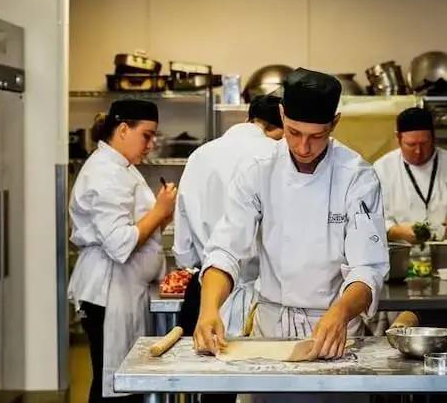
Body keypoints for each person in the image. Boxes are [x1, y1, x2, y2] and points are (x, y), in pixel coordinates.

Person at [194, 68, 389, 402]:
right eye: (293, 132)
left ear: (335, 123)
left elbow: (367, 268)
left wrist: (339, 313)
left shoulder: (357, 177)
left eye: (316, 136)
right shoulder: (258, 169)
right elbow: (226, 250)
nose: (303, 146)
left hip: (333, 334)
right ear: (281, 114)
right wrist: (209, 308)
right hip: (271, 334)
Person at [68, 99, 177, 402]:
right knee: (113, 386)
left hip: (123, 289)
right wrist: (160, 211)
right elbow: (119, 242)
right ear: (123, 129)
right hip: (108, 292)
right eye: (147, 135)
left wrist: (160, 215)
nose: (151, 144)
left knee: (122, 383)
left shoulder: (120, 167)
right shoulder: (105, 171)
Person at [173, 95, 284, 340]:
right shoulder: (278, 155)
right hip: (266, 300)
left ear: (248, 119)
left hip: (207, 298)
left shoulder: (199, 156)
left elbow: (183, 253)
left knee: (206, 374)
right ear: (285, 127)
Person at [373, 107, 447, 243]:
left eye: (424, 144)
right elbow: (372, 217)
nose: (418, 151)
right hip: (400, 250)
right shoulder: (382, 169)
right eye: (411, 145)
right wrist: (397, 232)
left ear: (433, 137)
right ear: (398, 138)